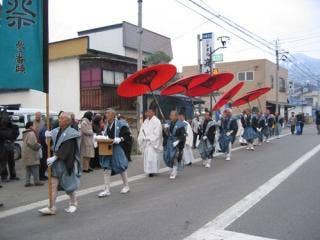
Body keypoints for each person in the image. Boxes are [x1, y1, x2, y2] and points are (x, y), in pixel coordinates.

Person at [38, 112, 81, 215]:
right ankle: (51, 207)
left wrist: (55, 157)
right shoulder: (55, 130)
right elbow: (49, 145)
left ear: (67, 121)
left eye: (61, 118)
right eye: (59, 118)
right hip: (55, 164)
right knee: (53, 185)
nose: (59, 119)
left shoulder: (72, 133)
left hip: (66, 163)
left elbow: (68, 148)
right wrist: (46, 137)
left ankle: (73, 203)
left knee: (69, 186)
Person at [98, 108, 132, 197]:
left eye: (108, 113)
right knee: (106, 167)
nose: (106, 115)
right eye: (106, 113)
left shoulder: (121, 124)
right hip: (107, 147)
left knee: (121, 166)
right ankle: (107, 189)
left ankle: (126, 186)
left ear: (113, 115)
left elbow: (127, 136)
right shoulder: (106, 125)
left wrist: (120, 139)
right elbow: (105, 136)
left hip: (117, 147)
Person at [138, 107, 163, 177]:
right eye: (147, 112)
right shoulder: (145, 121)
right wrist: (142, 138)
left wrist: (149, 138)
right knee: (147, 157)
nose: (148, 113)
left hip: (152, 143)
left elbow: (158, 133)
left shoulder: (157, 121)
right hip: (146, 143)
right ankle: (149, 171)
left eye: (150, 112)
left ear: (153, 112)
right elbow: (141, 131)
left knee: (152, 157)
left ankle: (153, 171)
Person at [163, 110, 186, 179]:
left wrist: (178, 141)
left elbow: (183, 135)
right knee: (167, 156)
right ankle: (172, 168)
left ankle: (174, 171)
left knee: (175, 156)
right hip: (169, 142)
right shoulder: (168, 123)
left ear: (176, 116)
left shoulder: (180, 124)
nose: (171, 117)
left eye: (173, 115)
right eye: (170, 115)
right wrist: (165, 129)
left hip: (176, 143)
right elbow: (165, 134)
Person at [22, 122, 44, 187]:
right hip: (31, 154)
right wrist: (39, 146)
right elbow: (33, 144)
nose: (35, 127)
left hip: (26, 153)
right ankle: (37, 181)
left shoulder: (24, 133)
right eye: (33, 125)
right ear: (31, 126)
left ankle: (27, 182)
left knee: (28, 169)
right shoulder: (31, 133)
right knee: (35, 167)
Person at [0, 114, 19, 182]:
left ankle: (12, 175)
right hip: (3, 146)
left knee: (11, 161)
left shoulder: (12, 127)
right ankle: (4, 177)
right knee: (3, 162)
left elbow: (14, 134)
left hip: (9, 145)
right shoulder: (3, 128)